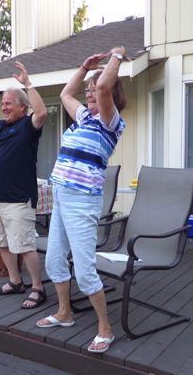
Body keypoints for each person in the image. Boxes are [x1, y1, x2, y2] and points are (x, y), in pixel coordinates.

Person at [35, 46, 128, 353]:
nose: (89, 93)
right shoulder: (85, 117)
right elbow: (65, 94)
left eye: (94, 90)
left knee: (84, 269)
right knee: (54, 260)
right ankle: (65, 313)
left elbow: (103, 88)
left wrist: (116, 55)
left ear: (111, 95)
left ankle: (105, 329)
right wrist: (83, 69)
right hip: (61, 195)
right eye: (87, 90)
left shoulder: (110, 122)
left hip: (82, 200)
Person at [0, 61, 48, 309]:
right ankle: (15, 281)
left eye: (8, 103)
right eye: (3, 103)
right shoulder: (1, 127)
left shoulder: (28, 126)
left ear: (22, 106)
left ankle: (38, 287)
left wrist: (27, 83)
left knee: (25, 246)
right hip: (0, 199)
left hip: (19, 199)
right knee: (2, 243)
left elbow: (42, 113)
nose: (4, 107)